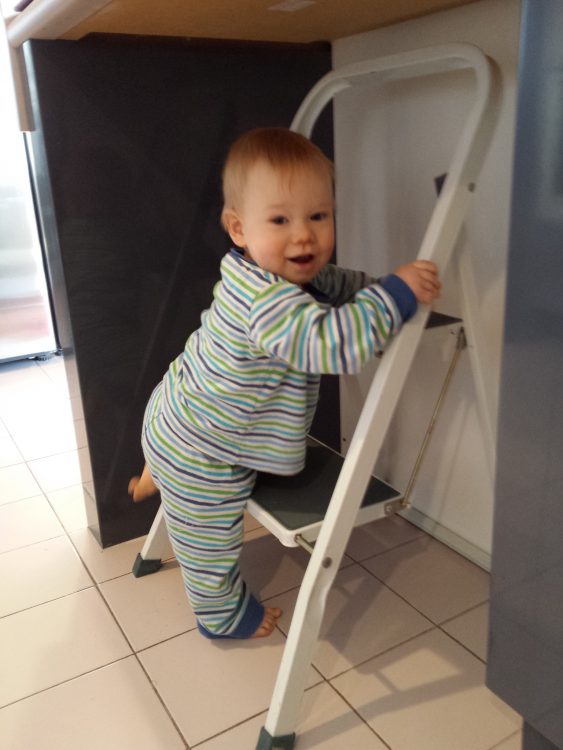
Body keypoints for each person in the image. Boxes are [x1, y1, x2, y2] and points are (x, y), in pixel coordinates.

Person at [129, 127, 440, 640]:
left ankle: (154, 474)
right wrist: (397, 297)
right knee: (209, 545)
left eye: (318, 216)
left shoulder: (265, 271)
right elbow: (336, 344)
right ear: (238, 229)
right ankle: (222, 618)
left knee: (170, 462)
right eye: (280, 220)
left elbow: (335, 284)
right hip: (203, 451)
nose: (304, 236)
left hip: (177, 407)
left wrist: (377, 286)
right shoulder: (269, 305)